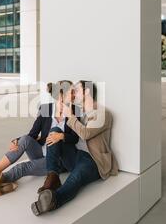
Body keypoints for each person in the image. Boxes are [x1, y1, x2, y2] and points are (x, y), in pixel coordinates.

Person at [0, 81, 79, 197]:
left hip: (56, 160)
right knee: (25, 139)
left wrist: (61, 136)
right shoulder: (46, 109)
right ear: (61, 94)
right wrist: (17, 140)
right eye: (71, 92)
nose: (74, 95)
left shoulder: (75, 111)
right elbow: (33, 134)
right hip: (40, 152)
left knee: (22, 167)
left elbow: (75, 139)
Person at [31, 81, 119, 216]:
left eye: (76, 90)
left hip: (93, 160)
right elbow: (68, 135)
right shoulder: (78, 111)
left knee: (75, 178)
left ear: (87, 92)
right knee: (55, 131)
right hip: (75, 154)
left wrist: (69, 115)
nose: (72, 94)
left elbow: (85, 133)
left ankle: (53, 200)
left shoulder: (103, 113)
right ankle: (52, 176)